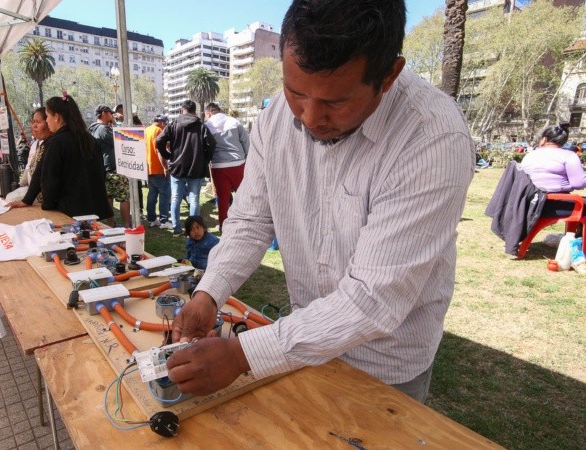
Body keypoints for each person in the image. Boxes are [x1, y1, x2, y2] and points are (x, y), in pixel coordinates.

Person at [166, 0, 474, 404]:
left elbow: (373, 298)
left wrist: (243, 355)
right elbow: (251, 221)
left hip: (386, 363)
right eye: (295, 92)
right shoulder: (277, 118)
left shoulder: (433, 138)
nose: (309, 118)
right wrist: (209, 293)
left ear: (389, 76)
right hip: (299, 342)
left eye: (336, 102)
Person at [8, 94, 113, 220]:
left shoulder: (56, 142)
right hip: (94, 209)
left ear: (57, 117)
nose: (47, 121)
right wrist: (28, 200)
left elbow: (49, 179)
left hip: (69, 212)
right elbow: (101, 174)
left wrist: (47, 205)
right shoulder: (90, 139)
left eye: (47, 116)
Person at [155, 100, 216, 235]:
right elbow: (211, 144)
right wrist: (206, 159)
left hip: (177, 167)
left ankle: (177, 229)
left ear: (182, 110)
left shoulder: (174, 124)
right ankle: (193, 230)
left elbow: (159, 140)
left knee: (176, 198)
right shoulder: (201, 126)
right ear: (195, 111)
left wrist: (168, 155)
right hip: (196, 167)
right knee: (194, 199)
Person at [204, 102, 249, 230]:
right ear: (219, 110)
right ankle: (244, 221)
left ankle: (223, 224)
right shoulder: (234, 122)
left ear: (208, 113)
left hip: (218, 165)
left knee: (222, 198)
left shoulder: (207, 126)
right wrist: (247, 158)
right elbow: (245, 141)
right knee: (242, 195)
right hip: (238, 163)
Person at [89, 105, 128, 226]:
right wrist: (116, 124)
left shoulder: (92, 129)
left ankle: (111, 223)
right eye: (111, 113)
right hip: (113, 169)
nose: (112, 116)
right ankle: (127, 224)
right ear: (104, 113)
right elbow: (120, 140)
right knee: (124, 198)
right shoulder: (103, 129)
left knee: (109, 198)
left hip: (103, 169)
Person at [16, 107, 53, 204]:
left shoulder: (54, 144)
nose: (33, 126)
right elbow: (31, 171)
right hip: (39, 200)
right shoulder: (35, 145)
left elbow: (40, 173)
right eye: (33, 122)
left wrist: (27, 200)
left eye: (38, 122)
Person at [144, 115, 173, 229]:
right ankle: (164, 220)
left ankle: (151, 219)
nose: (166, 126)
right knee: (165, 195)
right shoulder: (159, 131)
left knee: (152, 194)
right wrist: (166, 168)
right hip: (158, 168)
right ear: (161, 122)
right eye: (165, 124)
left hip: (148, 168)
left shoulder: (147, 130)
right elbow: (160, 151)